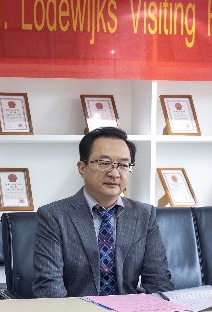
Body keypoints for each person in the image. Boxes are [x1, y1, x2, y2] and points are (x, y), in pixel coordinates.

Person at [33, 127, 173, 297]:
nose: (114, 173)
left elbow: (159, 283)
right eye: (104, 163)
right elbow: (50, 290)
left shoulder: (144, 214)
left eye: (123, 165)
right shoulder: (54, 216)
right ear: (82, 168)